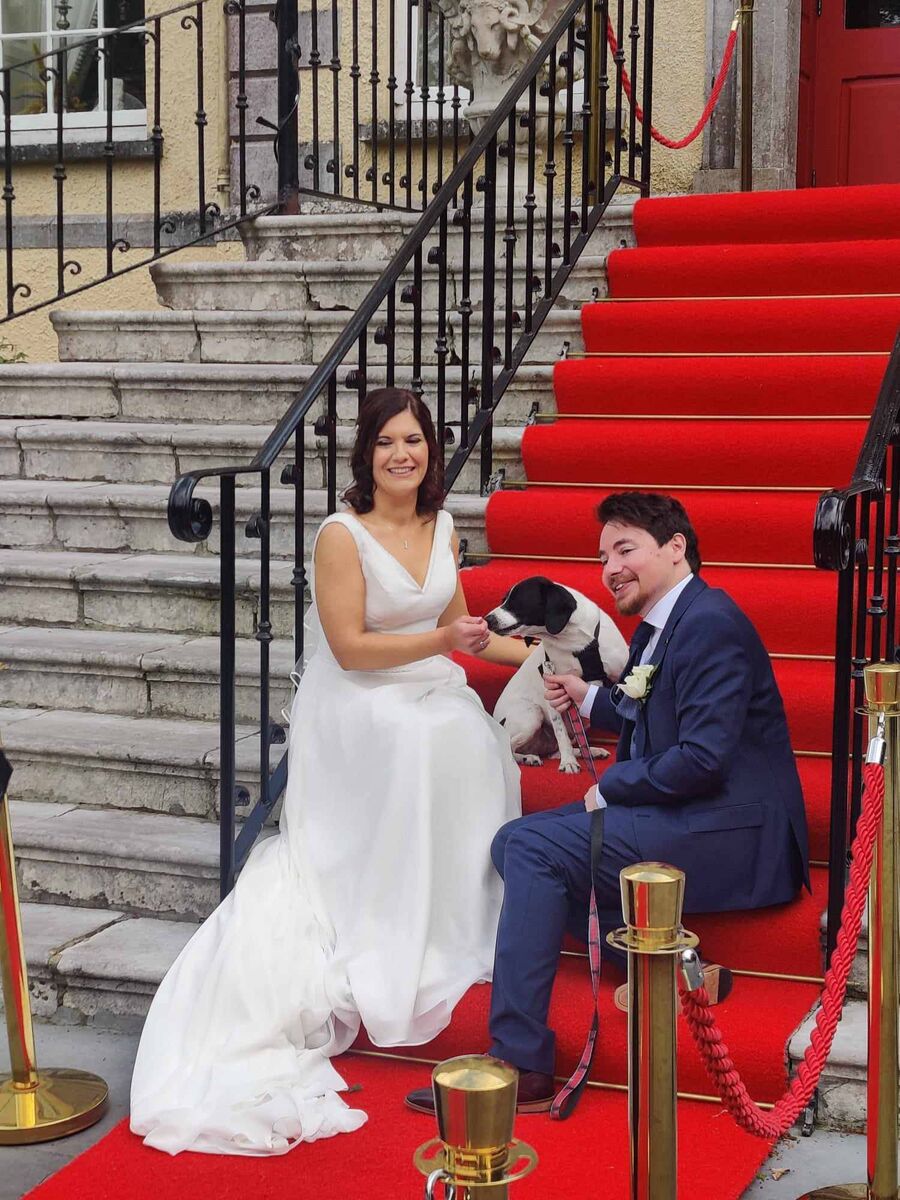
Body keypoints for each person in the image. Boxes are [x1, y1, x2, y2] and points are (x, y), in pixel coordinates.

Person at [130, 388, 532, 1155]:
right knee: (416, 740)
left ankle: (453, 918)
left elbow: (465, 634)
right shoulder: (341, 535)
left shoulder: (445, 527)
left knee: (470, 735)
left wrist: (544, 657)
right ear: (365, 456)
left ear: (432, 452)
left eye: (414, 441)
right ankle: (386, 923)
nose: (402, 455)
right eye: (387, 443)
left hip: (426, 684)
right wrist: (444, 639)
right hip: (357, 701)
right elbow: (350, 649)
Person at [406, 490, 810, 1114]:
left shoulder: (710, 623)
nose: (610, 568)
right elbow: (648, 707)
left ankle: (520, 1063)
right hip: (685, 811)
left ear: (677, 548)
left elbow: (703, 758)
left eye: (626, 549)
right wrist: (589, 697)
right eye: (603, 555)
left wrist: (611, 785)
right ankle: (663, 964)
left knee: (535, 848)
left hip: (729, 828)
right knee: (512, 839)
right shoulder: (668, 621)